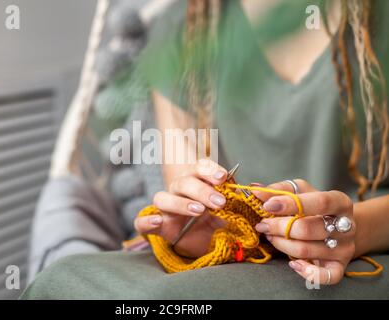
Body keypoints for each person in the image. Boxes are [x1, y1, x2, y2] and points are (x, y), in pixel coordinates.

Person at [22, 0, 389, 299]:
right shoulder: (182, 31)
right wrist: (194, 231)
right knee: (63, 282)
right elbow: (188, 195)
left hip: (369, 255)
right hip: (239, 263)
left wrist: (356, 230)